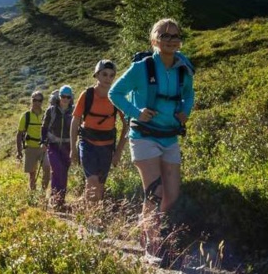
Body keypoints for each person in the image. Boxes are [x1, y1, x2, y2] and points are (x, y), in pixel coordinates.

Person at [108, 18, 194, 261]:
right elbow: (115, 92)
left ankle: (155, 234)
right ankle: (153, 246)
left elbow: (189, 95)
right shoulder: (142, 68)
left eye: (175, 35)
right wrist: (137, 113)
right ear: (154, 40)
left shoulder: (183, 68)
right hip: (144, 136)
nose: (171, 40)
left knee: (172, 194)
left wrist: (185, 112)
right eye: (165, 35)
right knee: (155, 191)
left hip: (169, 137)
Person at [70, 60, 128, 204]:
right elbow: (75, 121)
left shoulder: (116, 97)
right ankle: (90, 221)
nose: (107, 79)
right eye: (104, 74)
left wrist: (119, 151)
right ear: (96, 75)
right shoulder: (87, 95)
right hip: (87, 144)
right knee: (93, 181)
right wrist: (73, 149)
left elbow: (127, 124)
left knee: (100, 185)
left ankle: (93, 213)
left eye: (111, 75)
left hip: (107, 147)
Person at [41, 85, 74, 210]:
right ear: (59, 97)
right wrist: (43, 141)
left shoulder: (74, 111)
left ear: (71, 98)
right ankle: (55, 198)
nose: (65, 99)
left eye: (68, 97)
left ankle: (60, 200)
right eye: (63, 96)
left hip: (68, 146)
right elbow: (44, 127)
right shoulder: (51, 110)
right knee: (57, 170)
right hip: (53, 145)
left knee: (64, 172)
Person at [16, 91, 50, 191]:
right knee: (32, 174)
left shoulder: (45, 115)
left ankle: (43, 192)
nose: (36, 102)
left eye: (39, 100)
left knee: (47, 169)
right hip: (30, 148)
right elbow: (19, 134)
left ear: (42, 101)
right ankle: (33, 193)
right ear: (31, 100)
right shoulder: (26, 116)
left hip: (43, 148)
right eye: (34, 100)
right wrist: (19, 151)